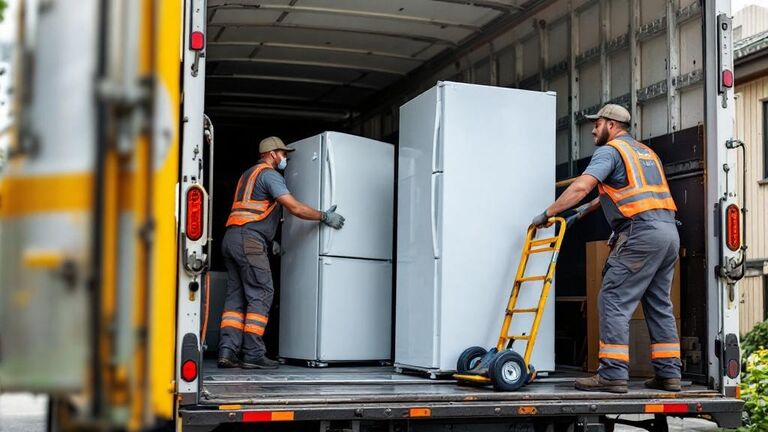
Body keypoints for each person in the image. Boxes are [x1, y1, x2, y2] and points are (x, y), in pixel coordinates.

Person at [532, 104, 681, 393]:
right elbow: (611, 194)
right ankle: (669, 374)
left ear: (611, 125)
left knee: (613, 298)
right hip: (668, 233)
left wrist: (548, 213)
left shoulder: (609, 151)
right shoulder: (646, 154)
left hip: (640, 234)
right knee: (659, 303)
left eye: (597, 123)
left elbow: (581, 187)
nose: (592, 129)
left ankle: (612, 373)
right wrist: (577, 215)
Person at [218, 136, 345, 369]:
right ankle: (253, 353)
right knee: (262, 292)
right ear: (273, 153)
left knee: (235, 297)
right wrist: (324, 216)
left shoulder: (248, 174)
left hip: (232, 239)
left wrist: (270, 238)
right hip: (249, 241)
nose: (285, 158)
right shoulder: (270, 175)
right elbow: (294, 207)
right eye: (284, 154)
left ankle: (227, 351)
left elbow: (256, 210)